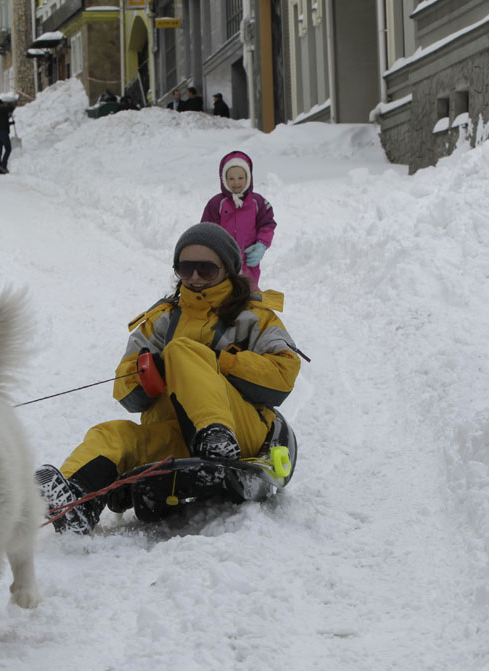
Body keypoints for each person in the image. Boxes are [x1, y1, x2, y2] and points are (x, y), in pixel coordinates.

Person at [34, 223, 301, 534]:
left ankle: (216, 436)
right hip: (176, 434)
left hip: (241, 430)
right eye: (186, 268)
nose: (195, 277)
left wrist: (218, 361)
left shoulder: (254, 316)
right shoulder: (161, 320)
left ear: (227, 270)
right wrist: (153, 372)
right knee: (110, 435)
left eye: (206, 269)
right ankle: (76, 502)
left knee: (183, 350)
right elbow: (124, 390)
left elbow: (283, 374)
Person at [200, 150, 277, 290]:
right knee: (222, 295)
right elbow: (205, 230)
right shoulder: (216, 203)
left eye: (241, 178)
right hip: (222, 263)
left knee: (248, 295)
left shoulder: (257, 202)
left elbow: (267, 224)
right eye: (231, 178)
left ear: (248, 177)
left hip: (248, 263)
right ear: (223, 179)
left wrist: (262, 245)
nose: (236, 183)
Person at [0, 99, 15, 175]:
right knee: (8, 148)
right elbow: (11, 108)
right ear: (0, 104)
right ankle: (3, 165)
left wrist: (10, 123)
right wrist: (9, 105)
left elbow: (2, 121)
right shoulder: (1, 109)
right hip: (3, 132)